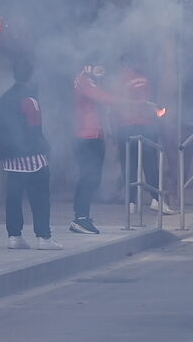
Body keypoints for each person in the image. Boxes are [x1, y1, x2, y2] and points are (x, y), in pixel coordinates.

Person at [0, 59, 61, 250]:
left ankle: (14, 235)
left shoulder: (5, 97)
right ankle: (44, 236)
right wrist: (45, 147)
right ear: (31, 76)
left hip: (10, 155)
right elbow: (35, 127)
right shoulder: (30, 99)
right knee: (40, 195)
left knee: (13, 196)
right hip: (32, 154)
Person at [70, 64, 125, 234]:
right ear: (88, 66)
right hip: (87, 136)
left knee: (91, 178)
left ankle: (81, 216)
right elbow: (103, 98)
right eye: (99, 67)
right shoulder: (85, 81)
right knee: (89, 178)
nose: (102, 71)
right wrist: (129, 102)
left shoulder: (90, 81)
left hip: (94, 135)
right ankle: (80, 218)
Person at [113, 56, 172, 215]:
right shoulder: (145, 79)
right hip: (146, 127)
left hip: (125, 128)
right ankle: (156, 200)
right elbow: (152, 104)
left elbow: (113, 106)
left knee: (129, 166)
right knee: (150, 164)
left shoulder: (117, 82)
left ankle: (131, 202)